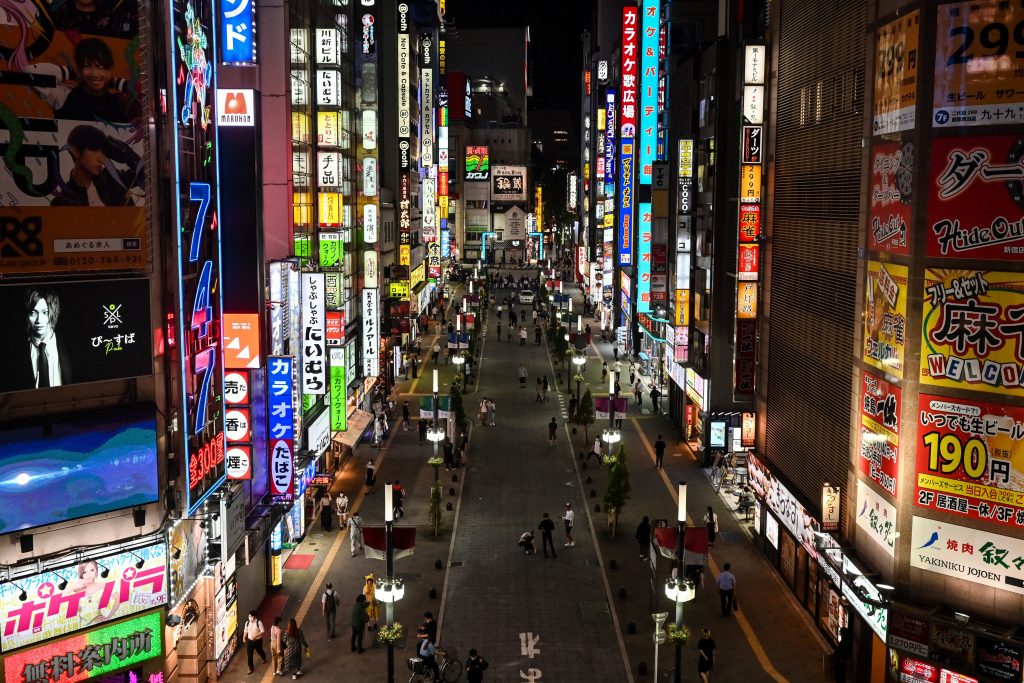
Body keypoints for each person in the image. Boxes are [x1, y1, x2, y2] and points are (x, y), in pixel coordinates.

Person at [7, 288, 72, 391]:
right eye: (33, 313)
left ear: (53, 312)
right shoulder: (15, 351)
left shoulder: (70, 344)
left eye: (45, 312)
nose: (39, 320)